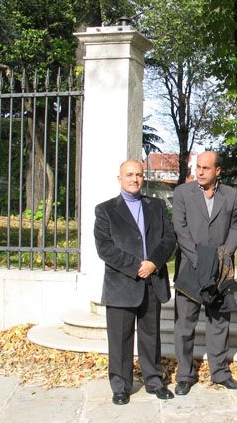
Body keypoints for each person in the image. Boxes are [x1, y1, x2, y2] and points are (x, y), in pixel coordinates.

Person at [94, 159, 176, 405]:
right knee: (120, 338)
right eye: (129, 175)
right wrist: (136, 267)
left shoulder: (157, 206)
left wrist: (153, 262)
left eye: (138, 174)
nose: (134, 179)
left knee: (151, 336)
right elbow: (105, 247)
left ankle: (154, 381)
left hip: (152, 280)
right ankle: (120, 385)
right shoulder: (105, 210)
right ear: (119, 178)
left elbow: (169, 238)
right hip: (121, 283)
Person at [172, 151, 237, 394]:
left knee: (219, 322)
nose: (200, 172)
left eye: (206, 168)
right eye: (198, 167)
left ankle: (220, 372)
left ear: (218, 170)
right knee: (185, 324)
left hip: (220, 269)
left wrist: (222, 257)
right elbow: (180, 228)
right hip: (190, 267)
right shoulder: (183, 193)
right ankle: (184, 375)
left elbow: (235, 229)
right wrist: (200, 260)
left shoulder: (231, 195)